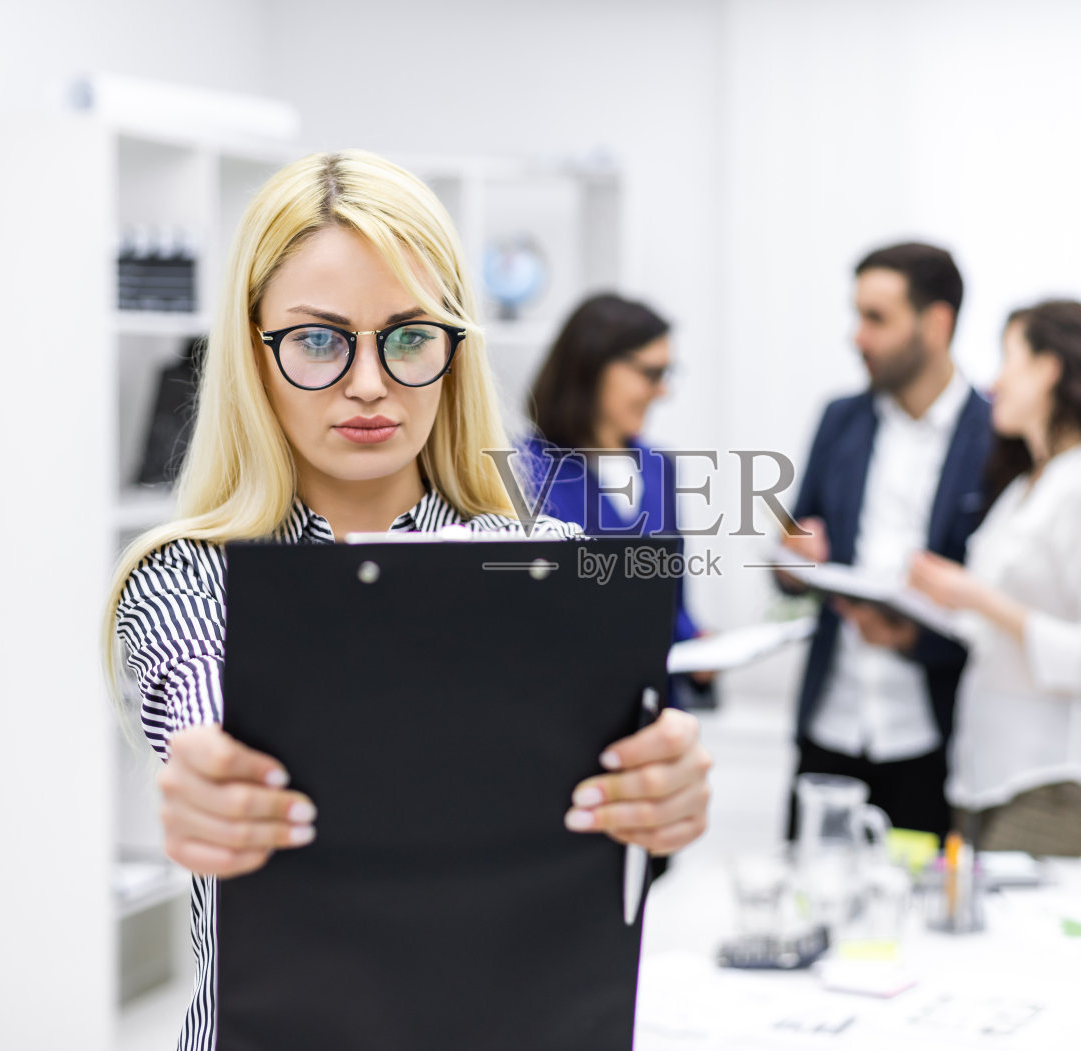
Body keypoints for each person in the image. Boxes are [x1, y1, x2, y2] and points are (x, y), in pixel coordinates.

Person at [101, 151, 713, 1050]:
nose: (368, 383)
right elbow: (198, 700)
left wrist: (662, 795)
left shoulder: (545, 573)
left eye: (409, 335)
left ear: (453, 347)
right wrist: (210, 776)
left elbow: (615, 813)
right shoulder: (189, 575)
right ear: (252, 350)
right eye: (317, 339)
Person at [907, 298, 1081, 857]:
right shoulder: (1028, 487)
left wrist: (980, 599)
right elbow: (993, 632)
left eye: (1009, 361)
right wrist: (915, 607)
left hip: (1049, 778)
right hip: (984, 774)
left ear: (1049, 369)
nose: (994, 382)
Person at [777, 242, 995, 837]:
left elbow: (999, 601)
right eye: (857, 316)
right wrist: (793, 559)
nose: (858, 337)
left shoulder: (996, 438)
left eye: (877, 318)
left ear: (937, 323)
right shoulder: (839, 420)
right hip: (830, 726)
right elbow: (796, 549)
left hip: (930, 739)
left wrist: (912, 639)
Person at [520, 293, 713, 707]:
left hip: (655, 713)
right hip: (560, 711)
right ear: (592, 367)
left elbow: (671, 598)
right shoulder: (519, 472)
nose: (663, 391)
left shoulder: (661, 468)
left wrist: (697, 641)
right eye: (652, 373)